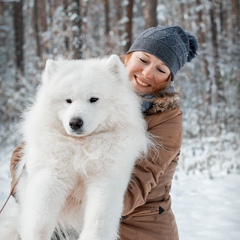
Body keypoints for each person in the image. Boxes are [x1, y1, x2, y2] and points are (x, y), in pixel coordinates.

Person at [10, 25, 198, 240]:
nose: (147, 73)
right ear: (128, 57)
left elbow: (129, 195)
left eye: (161, 69)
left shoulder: (168, 119)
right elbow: (25, 156)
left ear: (168, 78)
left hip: (139, 229)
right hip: (65, 228)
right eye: (144, 60)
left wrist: (75, 177)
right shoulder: (88, 78)